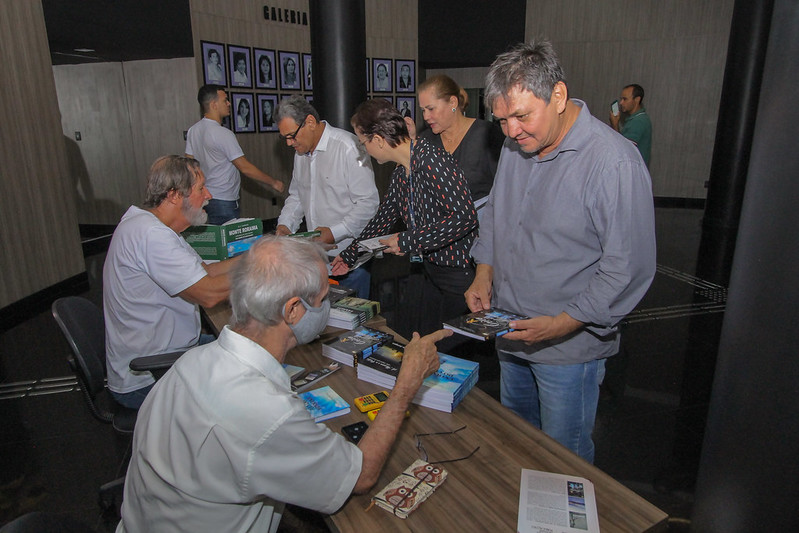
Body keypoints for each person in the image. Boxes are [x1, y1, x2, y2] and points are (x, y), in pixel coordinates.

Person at [116, 235, 451, 532]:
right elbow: (360, 477)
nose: (327, 305)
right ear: (292, 311)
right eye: (323, 298)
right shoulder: (267, 413)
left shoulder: (191, 362)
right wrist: (405, 386)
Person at [466, 40, 656, 463]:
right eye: (502, 120)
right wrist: (484, 272)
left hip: (568, 349)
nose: (511, 131)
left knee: (562, 459)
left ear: (558, 95)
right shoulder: (520, 145)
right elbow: (497, 212)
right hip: (509, 332)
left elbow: (627, 269)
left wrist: (563, 324)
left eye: (521, 116)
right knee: (517, 445)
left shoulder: (613, 163)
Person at [332, 99, 478, 346]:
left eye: (363, 143)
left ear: (378, 140)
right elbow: (383, 219)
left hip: (458, 274)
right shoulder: (402, 171)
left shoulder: (432, 159)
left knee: (451, 347)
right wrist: (349, 255)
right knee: (423, 341)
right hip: (429, 270)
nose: (364, 149)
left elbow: (464, 218)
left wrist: (407, 239)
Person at [103, 156, 238, 409]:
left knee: (247, 346)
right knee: (246, 377)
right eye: (200, 189)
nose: (208, 195)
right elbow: (208, 293)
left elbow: (205, 272)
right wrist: (267, 267)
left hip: (170, 352)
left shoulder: (150, 225)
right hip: (151, 375)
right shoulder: (151, 235)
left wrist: (257, 253)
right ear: (175, 195)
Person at [275, 96, 379, 298]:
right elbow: (297, 196)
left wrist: (334, 232)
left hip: (351, 260)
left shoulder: (347, 146)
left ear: (310, 122)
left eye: (292, 135)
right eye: (284, 138)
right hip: (318, 261)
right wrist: (285, 224)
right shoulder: (300, 154)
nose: (289, 143)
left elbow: (368, 204)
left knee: (355, 326)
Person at [185, 85, 284, 224]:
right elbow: (244, 167)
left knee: (215, 241)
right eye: (225, 100)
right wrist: (273, 183)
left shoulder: (193, 131)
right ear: (214, 105)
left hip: (205, 197)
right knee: (229, 243)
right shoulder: (223, 133)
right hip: (224, 200)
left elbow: (189, 165)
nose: (229, 103)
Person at [415, 75, 505, 215]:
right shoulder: (425, 140)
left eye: (431, 109)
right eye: (423, 110)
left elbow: (505, 188)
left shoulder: (487, 134)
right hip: (439, 229)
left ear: (452, 102)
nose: (426, 117)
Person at [610, 84, 652, 167]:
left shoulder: (639, 121)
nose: (621, 103)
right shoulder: (636, 119)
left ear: (637, 100)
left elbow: (624, 150)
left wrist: (615, 125)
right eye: (621, 99)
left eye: (625, 99)